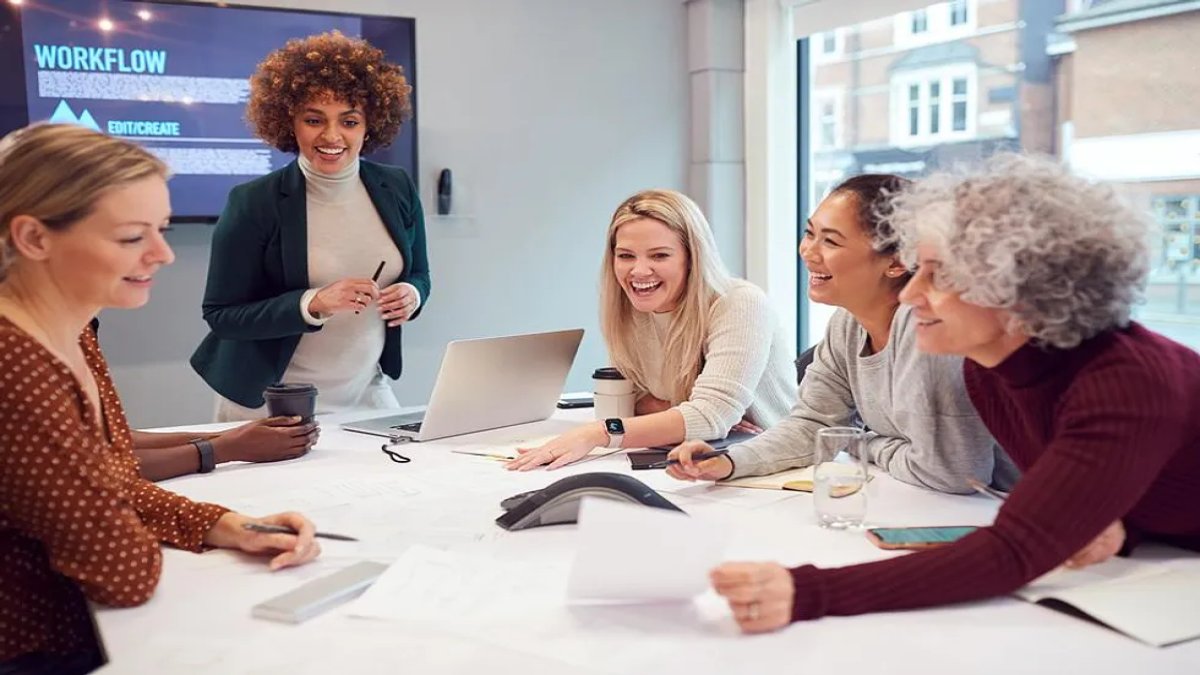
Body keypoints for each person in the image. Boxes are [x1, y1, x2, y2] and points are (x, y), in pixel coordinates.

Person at [706, 153, 1200, 633]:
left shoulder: (1126, 383)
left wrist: (806, 592)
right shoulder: (990, 369)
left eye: (938, 275)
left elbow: (1013, 550)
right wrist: (1119, 520)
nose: (910, 293)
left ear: (1019, 291)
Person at [0, 124, 322, 670]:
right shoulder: (17, 365)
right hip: (35, 649)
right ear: (33, 239)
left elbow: (110, 473)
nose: (163, 255)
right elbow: (122, 572)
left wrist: (225, 525)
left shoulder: (72, 328)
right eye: (132, 237)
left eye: (162, 230)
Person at [667, 175, 1016, 493]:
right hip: (925, 502)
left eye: (830, 241)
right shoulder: (847, 325)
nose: (808, 251)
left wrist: (860, 441)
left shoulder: (927, 329)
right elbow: (813, 426)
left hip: (997, 512)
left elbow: (951, 474)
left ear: (897, 262)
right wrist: (729, 462)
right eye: (810, 233)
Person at [191, 30, 429, 421]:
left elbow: (419, 273)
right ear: (290, 122)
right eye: (314, 119)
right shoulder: (254, 201)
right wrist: (313, 302)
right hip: (271, 399)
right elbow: (222, 314)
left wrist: (412, 295)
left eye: (349, 121)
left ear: (369, 125)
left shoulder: (396, 186)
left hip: (365, 389)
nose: (332, 136)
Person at [506, 189, 795, 471]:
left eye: (659, 256)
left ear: (692, 258)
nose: (639, 271)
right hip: (694, 459)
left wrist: (596, 433)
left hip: (770, 465)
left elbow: (711, 415)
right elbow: (630, 399)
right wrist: (685, 414)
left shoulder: (740, 302)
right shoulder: (630, 308)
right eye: (626, 256)